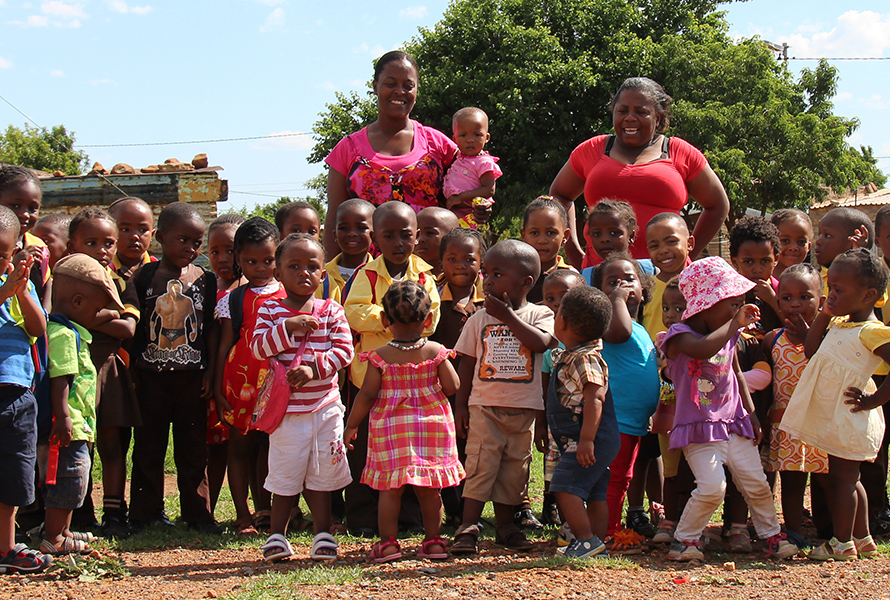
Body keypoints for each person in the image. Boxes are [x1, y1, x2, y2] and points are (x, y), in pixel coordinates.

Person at [661, 257, 798, 562]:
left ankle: (771, 536)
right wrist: (734, 323)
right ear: (704, 305)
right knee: (711, 487)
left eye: (739, 305)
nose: (737, 311)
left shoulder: (729, 333)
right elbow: (703, 349)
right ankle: (685, 540)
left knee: (756, 483)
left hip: (733, 422)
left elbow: (736, 374)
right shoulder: (679, 335)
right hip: (699, 425)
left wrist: (751, 413)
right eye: (732, 304)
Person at [548, 77, 729, 268]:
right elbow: (560, 194)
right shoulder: (592, 149)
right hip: (602, 274)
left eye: (641, 112)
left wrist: (687, 254)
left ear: (657, 118)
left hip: (666, 279)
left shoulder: (680, 151)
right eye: (622, 111)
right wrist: (574, 251)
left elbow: (717, 204)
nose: (630, 118)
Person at [780, 249, 890, 560]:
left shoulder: (872, 331)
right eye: (830, 287)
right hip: (837, 414)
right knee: (848, 479)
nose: (831, 295)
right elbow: (811, 351)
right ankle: (862, 537)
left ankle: (841, 542)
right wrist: (826, 314)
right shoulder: (843, 324)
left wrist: (874, 400)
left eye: (838, 290)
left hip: (850, 414)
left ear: (868, 295)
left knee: (842, 480)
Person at [251, 234, 354, 563]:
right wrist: (289, 326)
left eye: (312, 267)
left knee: (322, 473)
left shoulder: (331, 310)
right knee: (286, 471)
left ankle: (322, 534)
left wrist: (314, 370)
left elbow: (345, 351)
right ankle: (276, 536)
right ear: (278, 273)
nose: (303, 273)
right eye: (293, 266)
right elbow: (258, 348)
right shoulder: (269, 310)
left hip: (325, 409)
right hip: (287, 412)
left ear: (323, 274)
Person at [344, 281, 464, 562]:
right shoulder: (435, 352)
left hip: (391, 429)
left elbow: (366, 395)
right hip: (431, 427)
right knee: (429, 488)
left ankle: (388, 544)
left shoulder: (380, 357)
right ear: (429, 319)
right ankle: (433, 542)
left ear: (385, 320)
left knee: (390, 489)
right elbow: (453, 386)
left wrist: (351, 425)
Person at [450, 240, 556, 555]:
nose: (488, 280)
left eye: (497, 273)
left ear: (525, 282)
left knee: (515, 468)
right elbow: (465, 365)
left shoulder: (540, 313)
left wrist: (509, 317)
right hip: (484, 407)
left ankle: (507, 525)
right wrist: (460, 407)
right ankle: (468, 525)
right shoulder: (477, 319)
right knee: (481, 462)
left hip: (524, 410)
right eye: (486, 273)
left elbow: (541, 344)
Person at [342, 201, 440, 534]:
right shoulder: (367, 274)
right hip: (371, 379)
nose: (398, 243)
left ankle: (410, 518)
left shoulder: (425, 275)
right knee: (368, 449)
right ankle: (363, 517)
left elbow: (432, 320)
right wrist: (395, 322)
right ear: (376, 239)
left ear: (417, 236)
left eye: (406, 235)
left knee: (412, 449)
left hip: (414, 382)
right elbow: (352, 311)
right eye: (389, 236)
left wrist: (389, 320)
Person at [129, 202, 219, 533]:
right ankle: (144, 513)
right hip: (151, 377)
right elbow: (139, 327)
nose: (191, 249)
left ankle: (198, 514)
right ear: (160, 238)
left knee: (194, 448)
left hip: (191, 378)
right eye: (183, 240)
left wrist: (209, 371)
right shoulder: (144, 278)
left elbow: (208, 329)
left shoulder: (204, 280)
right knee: (149, 446)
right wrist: (135, 369)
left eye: (197, 242)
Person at [323, 50, 460, 258]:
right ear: (375, 86)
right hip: (365, 276)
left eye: (408, 85)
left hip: (429, 275)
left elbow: (470, 185)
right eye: (390, 84)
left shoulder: (438, 144)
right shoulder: (348, 148)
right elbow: (335, 216)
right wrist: (333, 278)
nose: (400, 91)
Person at [40, 254, 125, 555]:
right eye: (96, 307)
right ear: (77, 302)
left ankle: (62, 530)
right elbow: (60, 378)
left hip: (78, 425)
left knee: (76, 479)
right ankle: (54, 537)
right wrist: (63, 417)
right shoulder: (63, 334)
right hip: (69, 427)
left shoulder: (72, 332)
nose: (100, 313)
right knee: (68, 480)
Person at [67, 209, 141, 539]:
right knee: (79, 444)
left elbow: (127, 329)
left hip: (109, 370)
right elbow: (60, 315)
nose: (101, 249)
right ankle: (78, 512)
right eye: (91, 242)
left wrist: (86, 316)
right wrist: (105, 315)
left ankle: (114, 513)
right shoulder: (62, 280)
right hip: (72, 368)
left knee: (113, 443)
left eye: (109, 242)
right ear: (72, 245)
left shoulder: (122, 282)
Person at [214, 218, 285, 536]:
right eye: (250, 261)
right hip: (240, 384)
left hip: (277, 386)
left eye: (268, 260)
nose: (260, 268)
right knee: (240, 448)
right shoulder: (233, 299)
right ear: (238, 260)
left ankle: (266, 510)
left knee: (270, 447)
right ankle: (242, 515)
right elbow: (224, 345)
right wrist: (217, 389)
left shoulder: (289, 292)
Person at [592, 253, 659, 554]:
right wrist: (617, 299)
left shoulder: (641, 329)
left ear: (643, 288)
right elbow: (620, 332)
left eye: (630, 279)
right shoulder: (608, 325)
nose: (622, 286)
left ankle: (610, 527)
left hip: (633, 421)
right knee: (614, 477)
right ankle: (606, 533)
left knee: (624, 477)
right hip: (615, 420)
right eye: (612, 282)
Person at [548, 286, 619, 559]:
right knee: (596, 490)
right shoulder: (575, 355)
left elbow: (595, 398)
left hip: (589, 437)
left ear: (563, 322)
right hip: (592, 437)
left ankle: (586, 539)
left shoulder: (584, 358)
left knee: (564, 486)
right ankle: (596, 544)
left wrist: (587, 439)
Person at [761, 263, 828, 548]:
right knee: (791, 481)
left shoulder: (830, 339)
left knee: (827, 481)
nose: (796, 304)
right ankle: (794, 531)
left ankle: (831, 529)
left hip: (822, 424)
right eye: (787, 298)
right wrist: (762, 419)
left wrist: (808, 338)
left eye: (805, 297)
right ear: (777, 302)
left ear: (822, 302)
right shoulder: (772, 340)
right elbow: (766, 386)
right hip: (785, 425)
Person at [0, 205, 50, 573]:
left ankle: (5, 548)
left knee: (15, 475)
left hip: (18, 393)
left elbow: (37, 328)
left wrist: (20, 292)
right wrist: (4, 291)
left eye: (2, 254)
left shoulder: (23, 284)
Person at [429, 227, 486, 524]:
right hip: (440, 388)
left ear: (481, 262)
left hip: (480, 386)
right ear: (441, 263)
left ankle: (469, 506)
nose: (460, 265)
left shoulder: (490, 298)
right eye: (452, 258)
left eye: (469, 258)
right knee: (446, 443)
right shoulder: (433, 297)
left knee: (471, 446)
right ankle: (451, 508)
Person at [539, 269, 587, 534]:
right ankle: (565, 520)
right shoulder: (551, 344)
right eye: (549, 298)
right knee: (558, 470)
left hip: (586, 422)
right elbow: (545, 387)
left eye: (564, 296)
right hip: (558, 423)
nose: (557, 303)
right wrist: (542, 423)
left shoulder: (592, 343)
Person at [205, 213, 245, 517]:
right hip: (216, 383)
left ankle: (256, 509)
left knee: (247, 450)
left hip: (248, 384)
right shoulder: (207, 287)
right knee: (215, 448)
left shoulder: (252, 291)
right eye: (214, 251)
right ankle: (208, 508)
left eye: (230, 250)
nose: (222, 258)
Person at [442, 107, 502, 229]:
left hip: (469, 212)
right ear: (455, 139)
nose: (470, 140)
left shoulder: (484, 162)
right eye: (463, 135)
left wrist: (460, 198)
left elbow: (489, 190)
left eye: (477, 134)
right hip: (452, 209)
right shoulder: (458, 157)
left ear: (487, 138)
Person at [0, 166, 51, 306]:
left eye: (32, 208)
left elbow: (46, 288)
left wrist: (46, 319)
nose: (25, 214)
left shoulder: (38, 246)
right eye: (15, 205)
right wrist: (13, 266)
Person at [641, 213, 694, 342]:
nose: (663, 250)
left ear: (689, 243)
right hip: (655, 360)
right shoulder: (645, 290)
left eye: (671, 242)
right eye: (654, 246)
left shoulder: (702, 285)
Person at [729, 216, 782, 336]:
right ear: (735, 261)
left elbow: (793, 327)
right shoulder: (728, 293)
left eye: (765, 261)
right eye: (748, 262)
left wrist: (773, 301)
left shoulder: (781, 291)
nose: (757, 269)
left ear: (776, 260)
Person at [582, 199, 654, 284]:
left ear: (631, 236)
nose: (605, 239)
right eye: (597, 234)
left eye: (614, 233)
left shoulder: (650, 270)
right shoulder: (585, 278)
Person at [318, 199, 374, 303]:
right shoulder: (321, 275)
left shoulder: (381, 275)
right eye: (344, 228)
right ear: (335, 234)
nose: (352, 233)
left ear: (374, 235)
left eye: (361, 227)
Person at [522, 196, 574, 304]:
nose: (542, 240)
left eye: (551, 233)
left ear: (565, 236)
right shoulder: (516, 275)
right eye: (534, 233)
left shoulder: (571, 276)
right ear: (524, 235)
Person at [813, 207, 873, 293]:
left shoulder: (861, 279)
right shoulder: (813, 279)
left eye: (827, 235)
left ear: (852, 244)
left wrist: (859, 255)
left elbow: (879, 299)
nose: (818, 241)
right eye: (819, 234)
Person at [107, 197, 156, 281]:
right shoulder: (105, 272)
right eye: (125, 229)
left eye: (142, 230)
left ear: (152, 234)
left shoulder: (159, 270)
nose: (135, 236)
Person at [415, 206, 459, 282]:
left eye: (430, 233)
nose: (420, 239)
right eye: (417, 233)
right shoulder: (407, 274)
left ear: (452, 237)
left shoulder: (463, 275)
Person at [771, 209, 812, 279]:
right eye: (785, 241)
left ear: (808, 246)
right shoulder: (760, 280)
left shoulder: (811, 281)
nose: (793, 247)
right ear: (772, 242)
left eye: (801, 242)